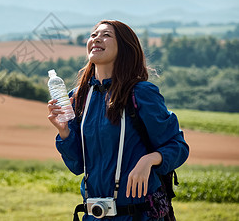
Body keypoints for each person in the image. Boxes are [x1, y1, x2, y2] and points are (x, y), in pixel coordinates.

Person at [47, 20, 189, 221]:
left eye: (106, 35)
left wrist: (148, 160)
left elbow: (178, 146)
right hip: (93, 215)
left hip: (139, 215)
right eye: (94, 34)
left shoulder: (141, 93)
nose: (97, 38)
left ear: (124, 47)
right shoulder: (79, 97)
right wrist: (65, 133)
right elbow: (78, 166)